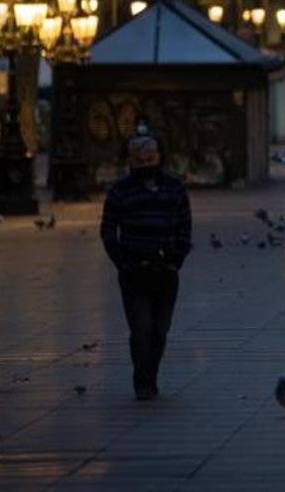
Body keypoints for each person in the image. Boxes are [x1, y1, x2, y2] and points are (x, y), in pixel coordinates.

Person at [100, 135, 192, 400]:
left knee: (160, 328)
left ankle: (150, 372)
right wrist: (122, 261)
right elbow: (108, 230)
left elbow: (184, 226)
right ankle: (144, 381)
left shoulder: (174, 189)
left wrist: (176, 260)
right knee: (141, 328)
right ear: (130, 162)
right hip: (134, 271)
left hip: (165, 271)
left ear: (159, 158)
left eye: (149, 160)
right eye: (139, 161)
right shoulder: (120, 192)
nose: (145, 165)